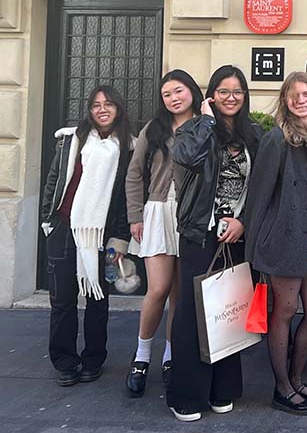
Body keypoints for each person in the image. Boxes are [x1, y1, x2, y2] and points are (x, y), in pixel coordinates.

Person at [166, 65, 263, 422]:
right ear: (211, 95)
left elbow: (264, 187)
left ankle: (223, 389)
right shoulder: (194, 129)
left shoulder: (255, 133)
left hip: (237, 236)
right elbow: (187, 158)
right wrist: (206, 121)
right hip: (199, 233)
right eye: (223, 91)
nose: (231, 98)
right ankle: (187, 394)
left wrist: (245, 222)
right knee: (193, 313)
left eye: (237, 91)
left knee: (229, 310)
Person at [245, 72, 307, 415]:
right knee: (283, 312)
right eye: (294, 95)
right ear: (285, 101)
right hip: (282, 238)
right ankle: (282, 387)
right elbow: (259, 194)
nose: (301, 100)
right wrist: (254, 251)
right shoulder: (276, 139)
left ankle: (297, 379)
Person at [41, 85, 133, 387]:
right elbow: (54, 180)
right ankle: (65, 362)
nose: (102, 109)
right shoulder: (72, 140)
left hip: (102, 233)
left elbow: (124, 197)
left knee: (98, 298)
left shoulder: (127, 148)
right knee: (62, 300)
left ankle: (94, 358)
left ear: (118, 109)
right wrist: (48, 220)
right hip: (65, 227)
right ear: (89, 111)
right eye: (95, 105)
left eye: (108, 104)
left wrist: (119, 238)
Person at [125, 70, 202, 397]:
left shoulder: (203, 126)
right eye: (167, 93)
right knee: (157, 289)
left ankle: (171, 357)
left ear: (191, 92)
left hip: (189, 215)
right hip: (156, 213)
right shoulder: (152, 129)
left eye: (179, 91)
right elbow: (134, 174)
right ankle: (142, 356)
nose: (173, 98)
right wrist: (135, 216)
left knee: (180, 295)